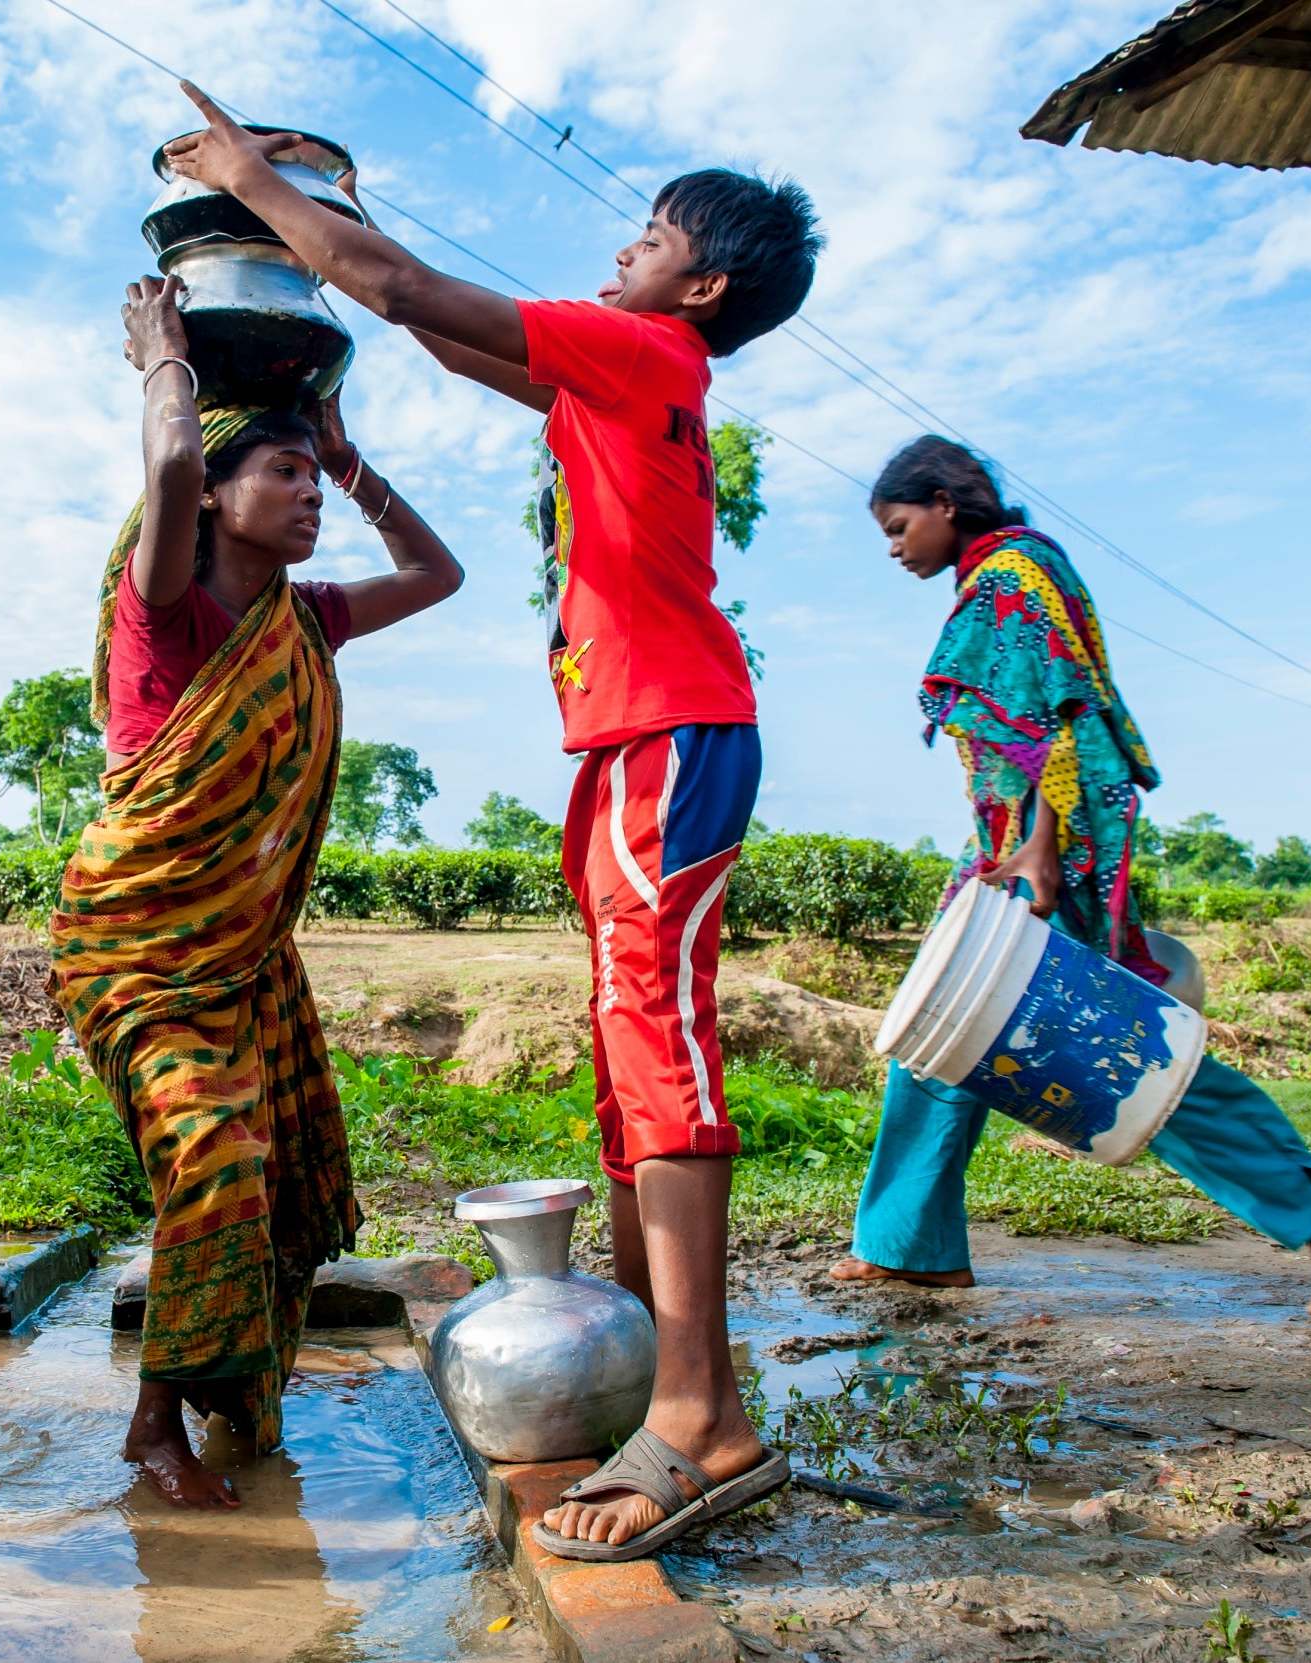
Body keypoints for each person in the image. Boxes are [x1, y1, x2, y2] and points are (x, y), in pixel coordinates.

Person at [159, 82, 821, 1564]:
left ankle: (702, 1414)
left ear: (695, 285)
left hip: (668, 730)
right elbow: (428, 325)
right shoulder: (614, 375)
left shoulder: (641, 349)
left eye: (644, 237)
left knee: (658, 1028)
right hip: (624, 737)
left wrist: (253, 183)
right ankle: (671, 1372)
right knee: (625, 1033)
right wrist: (335, 330)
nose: (618, 254)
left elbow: (394, 289)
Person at [50, 273, 464, 1509]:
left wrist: (348, 459)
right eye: (279, 476)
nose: (305, 499)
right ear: (217, 497)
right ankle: (150, 1427)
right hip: (134, 954)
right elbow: (169, 474)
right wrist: (162, 365)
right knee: (216, 1158)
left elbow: (436, 572)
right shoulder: (162, 614)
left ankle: (218, 1402)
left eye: (308, 480)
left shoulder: (311, 622)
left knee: (267, 1183)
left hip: (241, 966)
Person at [835, 436, 1311, 1315]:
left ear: (944, 502)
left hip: (1051, 857)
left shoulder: (1015, 576)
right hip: (1013, 848)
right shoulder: (1004, 576)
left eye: (898, 526)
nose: (894, 546)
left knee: (1122, 1061)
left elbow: (1063, 720)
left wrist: (1042, 844)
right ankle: (911, 1245)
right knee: (942, 1038)